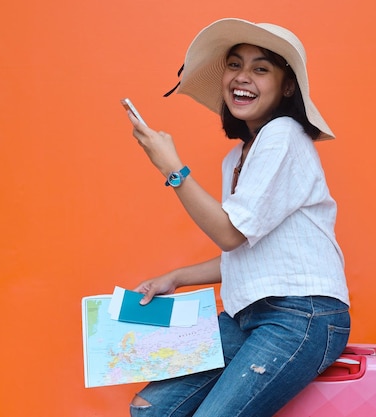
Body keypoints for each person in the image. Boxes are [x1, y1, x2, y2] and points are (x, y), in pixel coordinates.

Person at [126, 18, 350, 417]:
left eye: (260, 69)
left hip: (300, 315)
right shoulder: (238, 157)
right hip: (246, 314)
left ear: (286, 86)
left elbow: (230, 234)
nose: (242, 77)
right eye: (234, 65)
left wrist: (172, 169)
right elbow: (246, 248)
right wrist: (176, 278)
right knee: (151, 409)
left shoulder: (283, 134)